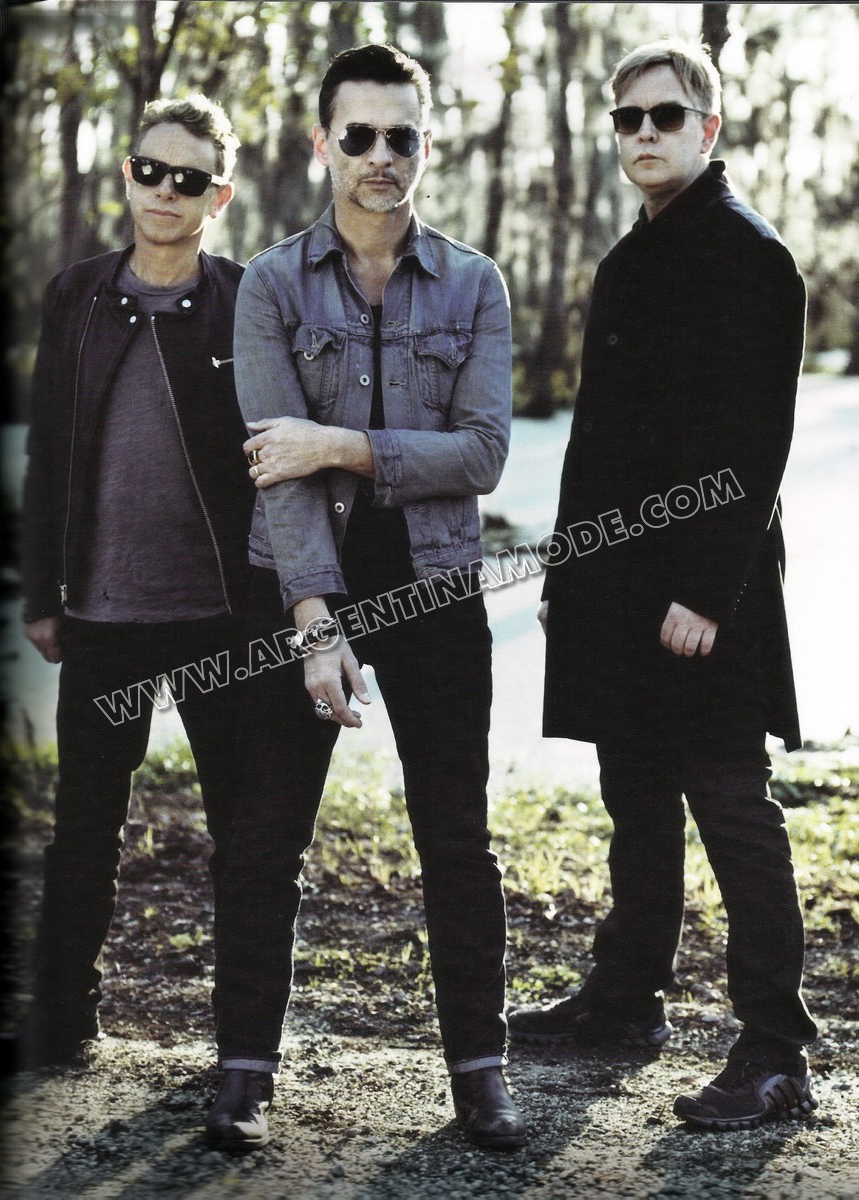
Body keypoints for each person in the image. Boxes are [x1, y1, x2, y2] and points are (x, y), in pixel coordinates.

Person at [206, 44, 526, 1152]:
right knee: (265, 835)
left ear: (425, 146)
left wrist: (338, 442)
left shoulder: (476, 284)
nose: (380, 156)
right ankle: (243, 1070)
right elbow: (274, 468)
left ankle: (480, 1074)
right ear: (322, 145)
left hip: (435, 585)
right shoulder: (270, 285)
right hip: (299, 584)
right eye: (359, 136)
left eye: (402, 136)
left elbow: (483, 454)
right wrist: (314, 622)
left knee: (457, 839)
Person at [507, 39, 819, 1132]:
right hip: (614, 581)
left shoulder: (750, 256)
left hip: (705, 592)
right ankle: (625, 1000)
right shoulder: (627, 259)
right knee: (633, 789)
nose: (643, 132)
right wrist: (569, 566)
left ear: (708, 128)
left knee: (729, 799)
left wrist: (704, 592)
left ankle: (776, 1050)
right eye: (627, 117)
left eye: (666, 115)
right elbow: (595, 438)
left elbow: (753, 445)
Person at [20, 95, 251, 1068]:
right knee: (82, 827)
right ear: (126, 174)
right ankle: (62, 1020)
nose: (165, 191)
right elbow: (47, 449)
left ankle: (241, 1051)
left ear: (218, 197)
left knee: (245, 834)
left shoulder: (247, 300)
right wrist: (41, 591)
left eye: (189, 179)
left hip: (222, 618)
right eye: (150, 170)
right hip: (101, 614)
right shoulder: (75, 295)